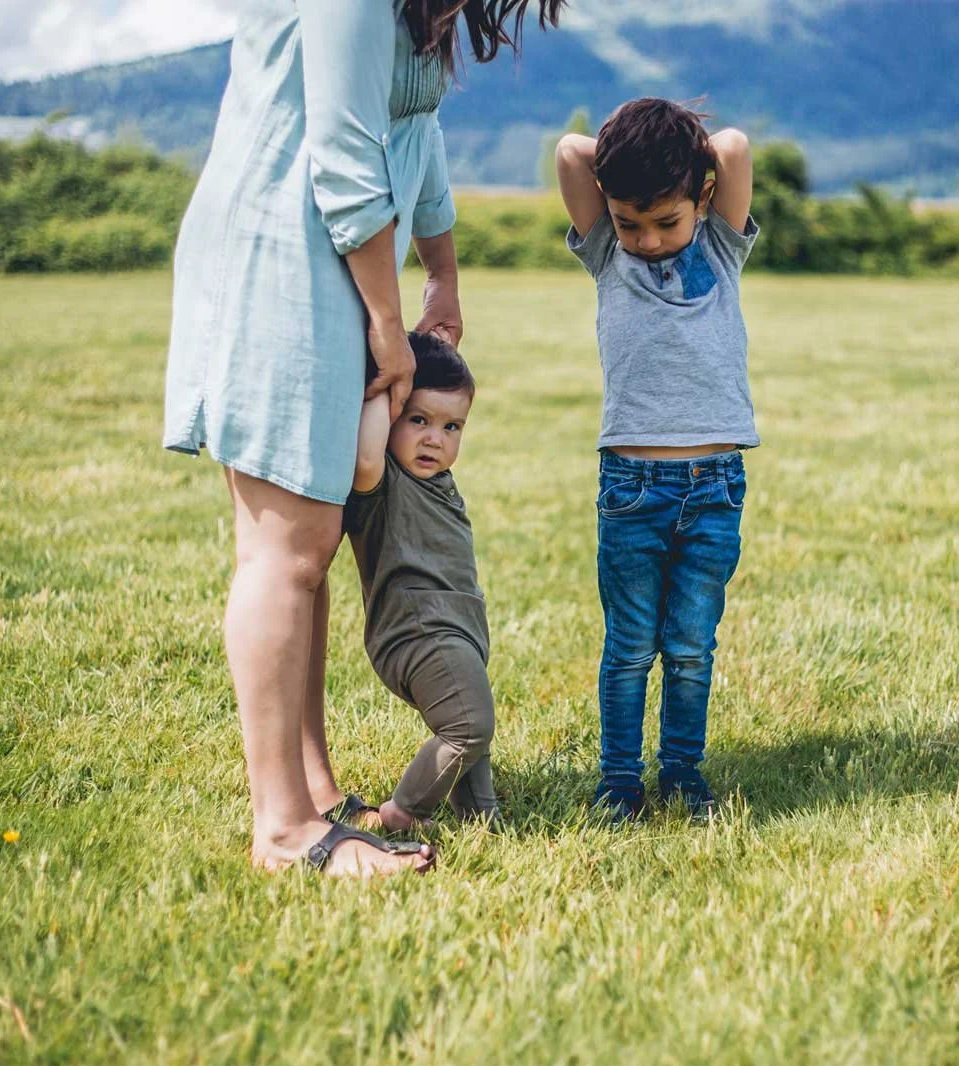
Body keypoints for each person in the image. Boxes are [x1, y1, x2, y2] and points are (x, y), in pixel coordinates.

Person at [162, 0, 563, 876]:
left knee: (315, 539)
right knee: (286, 550)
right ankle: (282, 831)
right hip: (285, 252)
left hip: (336, 254)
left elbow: (412, 130)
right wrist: (388, 318)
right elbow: (345, 155)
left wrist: (444, 272)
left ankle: (310, 793)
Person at [555, 98, 759, 823]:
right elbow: (572, 151)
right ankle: (619, 780)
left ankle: (682, 773)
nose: (645, 239)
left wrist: (690, 166)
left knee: (692, 647)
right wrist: (625, 173)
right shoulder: (607, 254)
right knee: (631, 647)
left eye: (665, 222)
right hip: (632, 489)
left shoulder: (721, 248)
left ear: (702, 199)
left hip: (714, 487)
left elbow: (731, 144)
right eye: (629, 221)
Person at [340, 333, 498, 834]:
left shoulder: (436, 478)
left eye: (452, 426)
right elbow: (364, 460)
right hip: (416, 630)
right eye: (418, 420)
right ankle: (404, 811)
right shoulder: (381, 479)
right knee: (468, 725)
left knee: (469, 724)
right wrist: (384, 389)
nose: (436, 438)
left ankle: (479, 813)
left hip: (455, 626)